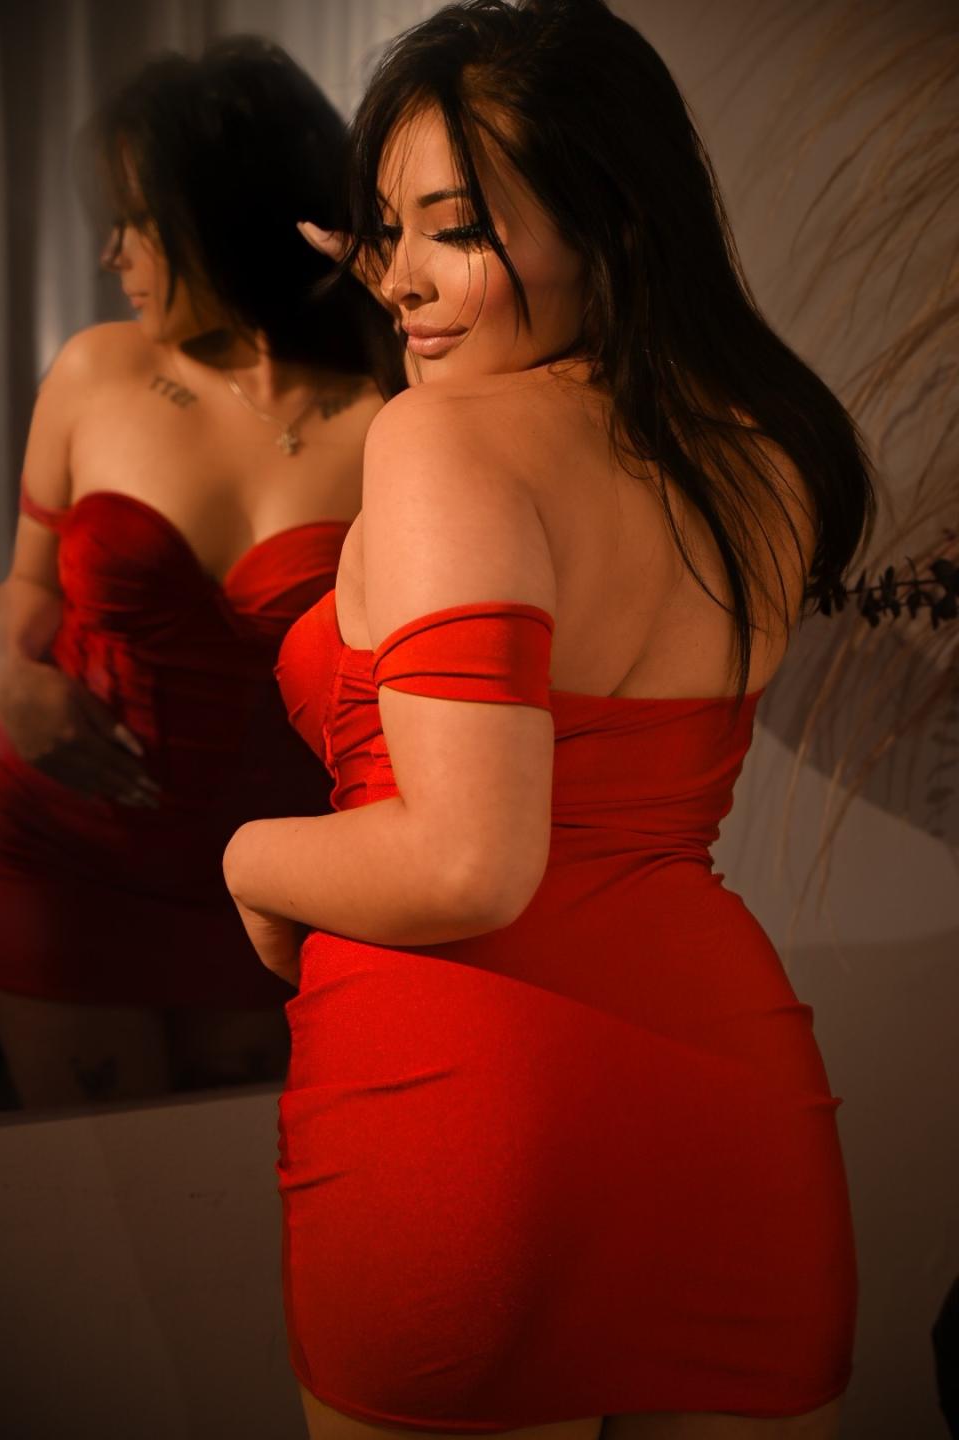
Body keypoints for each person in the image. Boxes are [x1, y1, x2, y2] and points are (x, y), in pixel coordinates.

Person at [223, 2, 874, 1436]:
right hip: (733, 1111)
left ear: (610, 224)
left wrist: (249, 863)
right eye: (387, 230)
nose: (400, 278)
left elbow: (467, 863)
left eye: (455, 228)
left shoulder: (445, 440)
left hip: (466, 1114)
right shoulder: (761, 454)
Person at [0, 37, 394, 1108]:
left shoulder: (395, 411)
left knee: (232, 1194)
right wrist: (13, 679)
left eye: (138, 223)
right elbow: (28, 588)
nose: (110, 255)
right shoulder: (95, 372)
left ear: (228, 217)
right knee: (90, 1183)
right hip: (64, 858)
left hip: (277, 882)